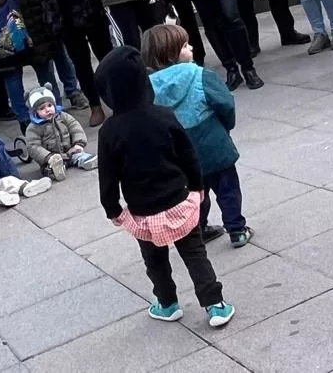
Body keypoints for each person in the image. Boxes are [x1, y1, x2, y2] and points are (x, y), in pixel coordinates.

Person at [95, 45, 234, 329]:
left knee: (154, 259)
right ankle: (214, 304)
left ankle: (168, 302)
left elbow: (107, 176)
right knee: (195, 253)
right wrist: (197, 186)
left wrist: (112, 208)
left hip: (143, 209)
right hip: (178, 199)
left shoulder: (109, 131)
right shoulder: (164, 115)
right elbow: (188, 155)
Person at [143, 25, 251, 248]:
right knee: (228, 189)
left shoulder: (148, 88)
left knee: (194, 195)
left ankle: (199, 229)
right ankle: (237, 229)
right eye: (184, 45)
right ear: (171, 52)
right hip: (213, 144)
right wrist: (225, 127)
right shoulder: (200, 74)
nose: (191, 47)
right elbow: (225, 104)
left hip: (179, 155)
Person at [21, 87, 95, 182]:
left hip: (69, 151)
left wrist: (78, 143)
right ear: (35, 112)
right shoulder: (33, 128)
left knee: (78, 155)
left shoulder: (63, 116)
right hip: (51, 158)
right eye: (42, 108)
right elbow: (33, 146)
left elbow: (75, 127)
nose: (47, 110)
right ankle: (55, 171)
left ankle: (86, 161)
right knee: (49, 169)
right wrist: (48, 157)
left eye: (50, 105)